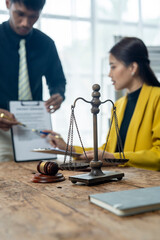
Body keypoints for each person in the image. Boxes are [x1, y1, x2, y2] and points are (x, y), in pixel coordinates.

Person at [43, 37, 160, 171]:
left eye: (113, 66)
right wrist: (68, 148)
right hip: (123, 182)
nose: (110, 74)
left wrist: (114, 158)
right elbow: (109, 150)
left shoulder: (157, 98)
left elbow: (158, 154)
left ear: (133, 67)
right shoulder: (119, 105)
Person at [0, 0, 66, 161]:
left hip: (36, 127)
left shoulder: (46, 44)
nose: (26, 23)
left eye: (33, 17)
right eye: (20, 14)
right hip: (2, 130)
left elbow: (57, 79)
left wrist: (58, 94)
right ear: (8, 3)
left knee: (47, 175)